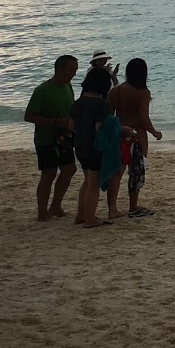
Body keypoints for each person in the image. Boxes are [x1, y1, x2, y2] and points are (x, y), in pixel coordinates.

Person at [23, 54, 78, 222]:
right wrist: (54, 122)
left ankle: (56, 205)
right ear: (59, 69)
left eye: (75, 70)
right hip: (46, 138)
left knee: (69, 169)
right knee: (49, 173)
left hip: (65, 136)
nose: (74, 73)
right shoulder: (43, 90)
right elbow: (29, 116)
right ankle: (42, 211)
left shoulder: (68, 86)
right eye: (71, 70)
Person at [107, 58, 161, 220]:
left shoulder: (116, 91)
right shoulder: (143, 93)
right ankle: (133, 205)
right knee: (136, 172)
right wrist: (155, 132)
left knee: (117, 173)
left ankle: (112, 208)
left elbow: (109, 115)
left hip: (120, 133)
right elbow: (144, 118)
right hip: (137, 136)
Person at [71, 65, 116, 227]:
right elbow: (99, 128)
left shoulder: (78, 103)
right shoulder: (102, 104)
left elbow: (71, 126)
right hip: (94, 148)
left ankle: (81, 214)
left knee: (87, 180)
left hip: (79, 146)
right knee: (94, 183)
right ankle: (90, 219)